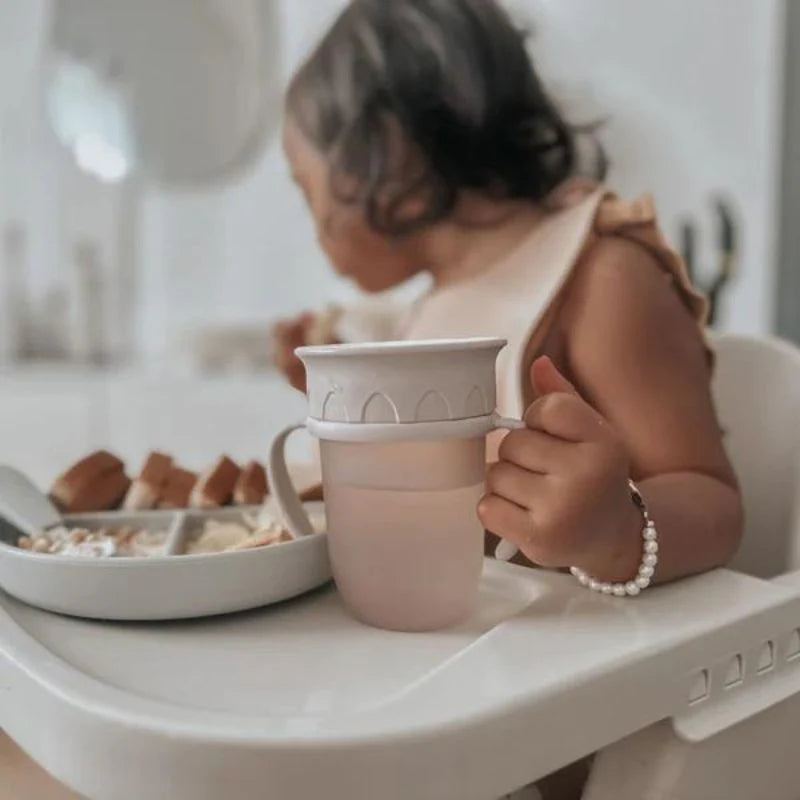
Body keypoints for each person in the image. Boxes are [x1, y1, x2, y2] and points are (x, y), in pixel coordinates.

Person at [274, 1, 742, 796]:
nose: (309, 223)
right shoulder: (437, 300)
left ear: (384, 154)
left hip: (544, 738)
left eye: (303, 185)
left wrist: (616, 527)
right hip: (419, 698)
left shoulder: (603, 278)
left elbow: (716, 502)